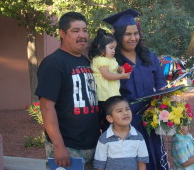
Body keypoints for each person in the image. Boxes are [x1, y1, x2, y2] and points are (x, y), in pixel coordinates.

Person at [102, 9, 168, 170]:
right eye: (127, 34)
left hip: (151, 120)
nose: (133, 38)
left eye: (135, 33)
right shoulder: (111, 62)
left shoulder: (149, 57)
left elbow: (161, 84)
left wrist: (168, 106)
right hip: (125, 122)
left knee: (154, 158)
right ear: (118, 36)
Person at [35, 12, 101, 170]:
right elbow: (46, 107)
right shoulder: (53, 63)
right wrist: (58, 146)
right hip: (68, 147)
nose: (82, 35)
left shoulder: (85, 61)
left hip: (92, 145)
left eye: (85, 30)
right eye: (76, 30)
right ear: (62, 33)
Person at [88, 28, 131, 131]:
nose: (113, 51)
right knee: (106, 119)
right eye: (111, 48)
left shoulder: (111, 60)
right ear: (100, 47)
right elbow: (107, 75)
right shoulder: (100, 60)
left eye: (114, 48)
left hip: (112, 94)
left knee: (114, 118)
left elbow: (117, 68)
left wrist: (123, 69)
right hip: (104, 96)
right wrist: (121, 76)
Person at [93, 96, 149, 170]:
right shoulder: (104, 139)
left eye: (127, 109)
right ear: (110, 118)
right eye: (119, 111)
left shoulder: (138, 137)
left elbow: (142, 163)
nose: (125, 113)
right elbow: (100, 165)